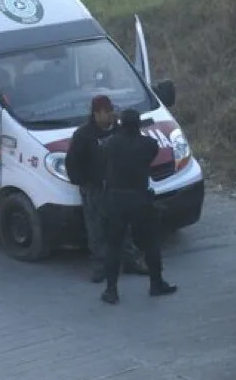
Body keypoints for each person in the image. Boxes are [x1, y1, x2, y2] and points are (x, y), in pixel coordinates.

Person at [65, 95, 148, 282]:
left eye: (112, 111)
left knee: (124, 227)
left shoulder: (121, 131)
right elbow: (73, 164)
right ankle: (102, 266)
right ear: (96, 113)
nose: (111, 115)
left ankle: (130, 261)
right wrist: (85, 183)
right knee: (97, 230)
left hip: (119, 187)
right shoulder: (83, 135)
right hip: (95, 190)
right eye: (107, 112)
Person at [100, 108, 177, 305]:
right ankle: (156, 282)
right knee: (151, 243)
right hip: (140, 199)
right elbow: (149, 149)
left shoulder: (110, 144)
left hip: (116, 200)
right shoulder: (149, 145)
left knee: (114, 246)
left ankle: (111, 289)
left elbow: (106, 151)